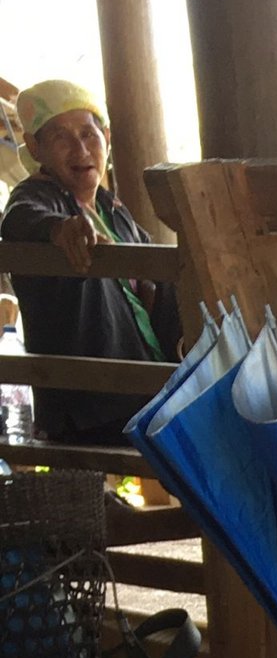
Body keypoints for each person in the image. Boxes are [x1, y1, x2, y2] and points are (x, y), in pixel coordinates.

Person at [0, 77, 180, 444]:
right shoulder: (38, 195)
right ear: (34, 148)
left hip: (141, 393)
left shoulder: (113, 211)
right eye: (61, 137)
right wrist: (60, 230)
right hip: (90, 408)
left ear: (106, 138)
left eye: (88, 134)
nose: (80, 149)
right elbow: (17, 217)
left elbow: (159, 279)